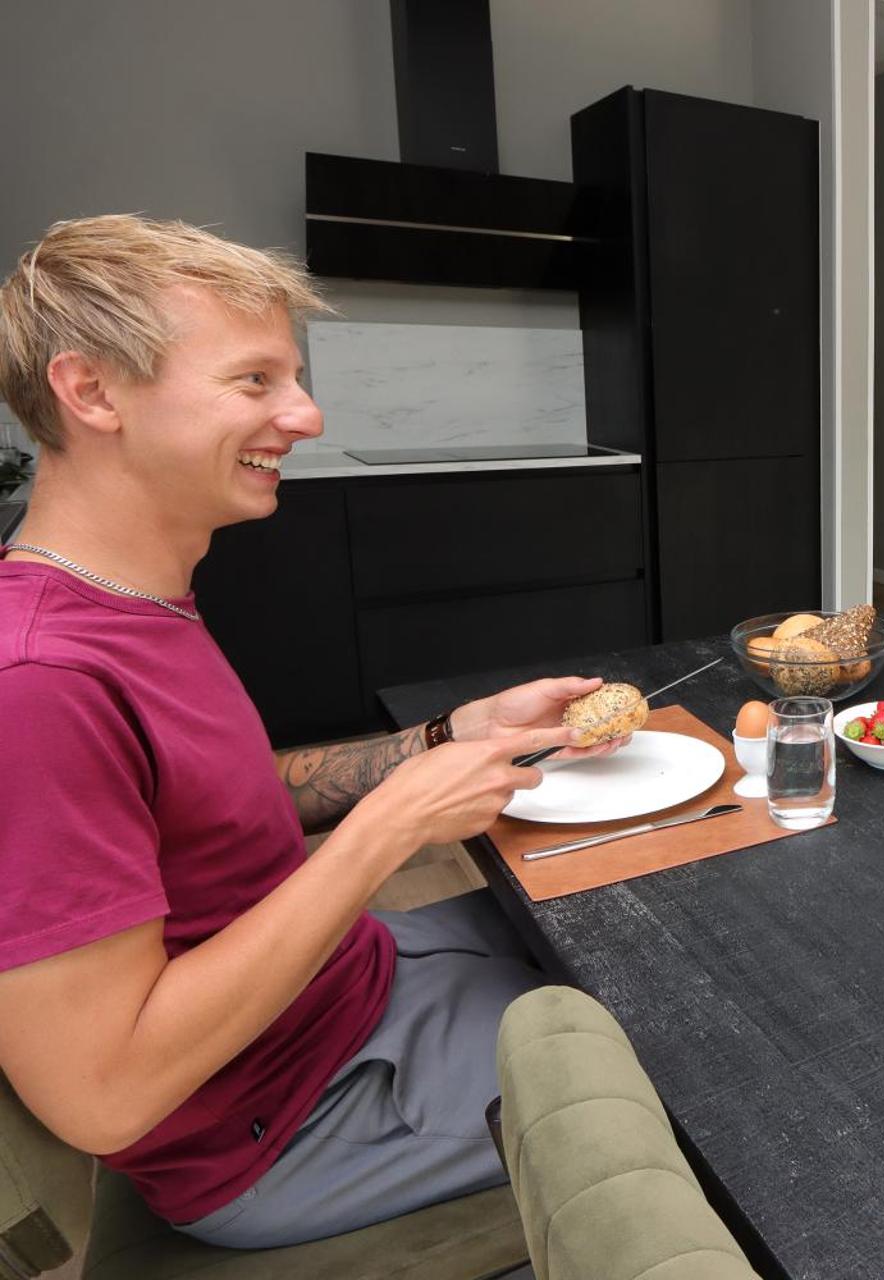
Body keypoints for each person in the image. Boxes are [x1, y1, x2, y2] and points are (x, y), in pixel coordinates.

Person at [0, 215, 630, 1248]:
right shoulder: (37, 683)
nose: (305, 412)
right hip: (293, 1121)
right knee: (714, 1055)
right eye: (255, 380)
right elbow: (101, 1094)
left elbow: (215, 801)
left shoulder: (133, 598)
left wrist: (443, 737)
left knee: (621, 929)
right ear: (93, 391)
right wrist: (386, 827)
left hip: (349, 986)